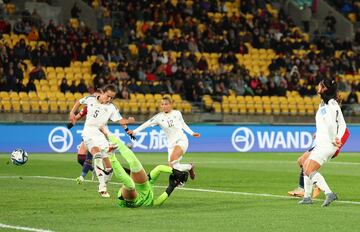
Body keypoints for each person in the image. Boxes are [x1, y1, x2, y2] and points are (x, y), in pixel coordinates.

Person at [69, 84, 135, 197]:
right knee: (97, 155)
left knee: (109, 167)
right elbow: (79, 102)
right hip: (88, 133)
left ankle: (104, 182)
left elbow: (120, 120)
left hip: (100, 135)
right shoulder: (90, 99)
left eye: (112, 98)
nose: (109, 99)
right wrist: (72, 112)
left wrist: (128, 123)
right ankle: (102, 187)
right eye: (108, 96)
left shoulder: (111, 107)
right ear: (102, 93)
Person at [101, 127, 189, 208]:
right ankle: (108, 134)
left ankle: (111, 155)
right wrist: (175, 171)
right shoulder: (148, 182)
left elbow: (157, 202)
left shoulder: (148, 192)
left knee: (130, 185)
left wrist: (171, 186)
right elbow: (159, 168)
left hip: (132, 201)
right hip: (136, 191)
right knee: (134, 162)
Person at [298, 78, 348, 207]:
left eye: (320, 85)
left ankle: (329, 193)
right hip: (323, 142)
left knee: (309, 170)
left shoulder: (330, 104)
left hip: (326, 144)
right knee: (305, 164)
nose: (317, 87)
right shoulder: (327, 104)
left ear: (324, 88)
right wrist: (319, 132)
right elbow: (340, 124)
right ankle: (307, 197)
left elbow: (332, 125)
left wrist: (335, 138)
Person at [127, 96, 200, 180]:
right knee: (174, 167)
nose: (164, 106)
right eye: (162, 104)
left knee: (172, 160)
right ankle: (189, 167)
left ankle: (180, 180)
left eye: (166, 104)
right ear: (160, 106)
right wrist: (134, 131)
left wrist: (192, 133)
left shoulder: (177, 113)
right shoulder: (158, 117)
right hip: (170, 144)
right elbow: (147, 124)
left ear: (171, 105)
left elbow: (183, 124)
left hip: (181, 140)